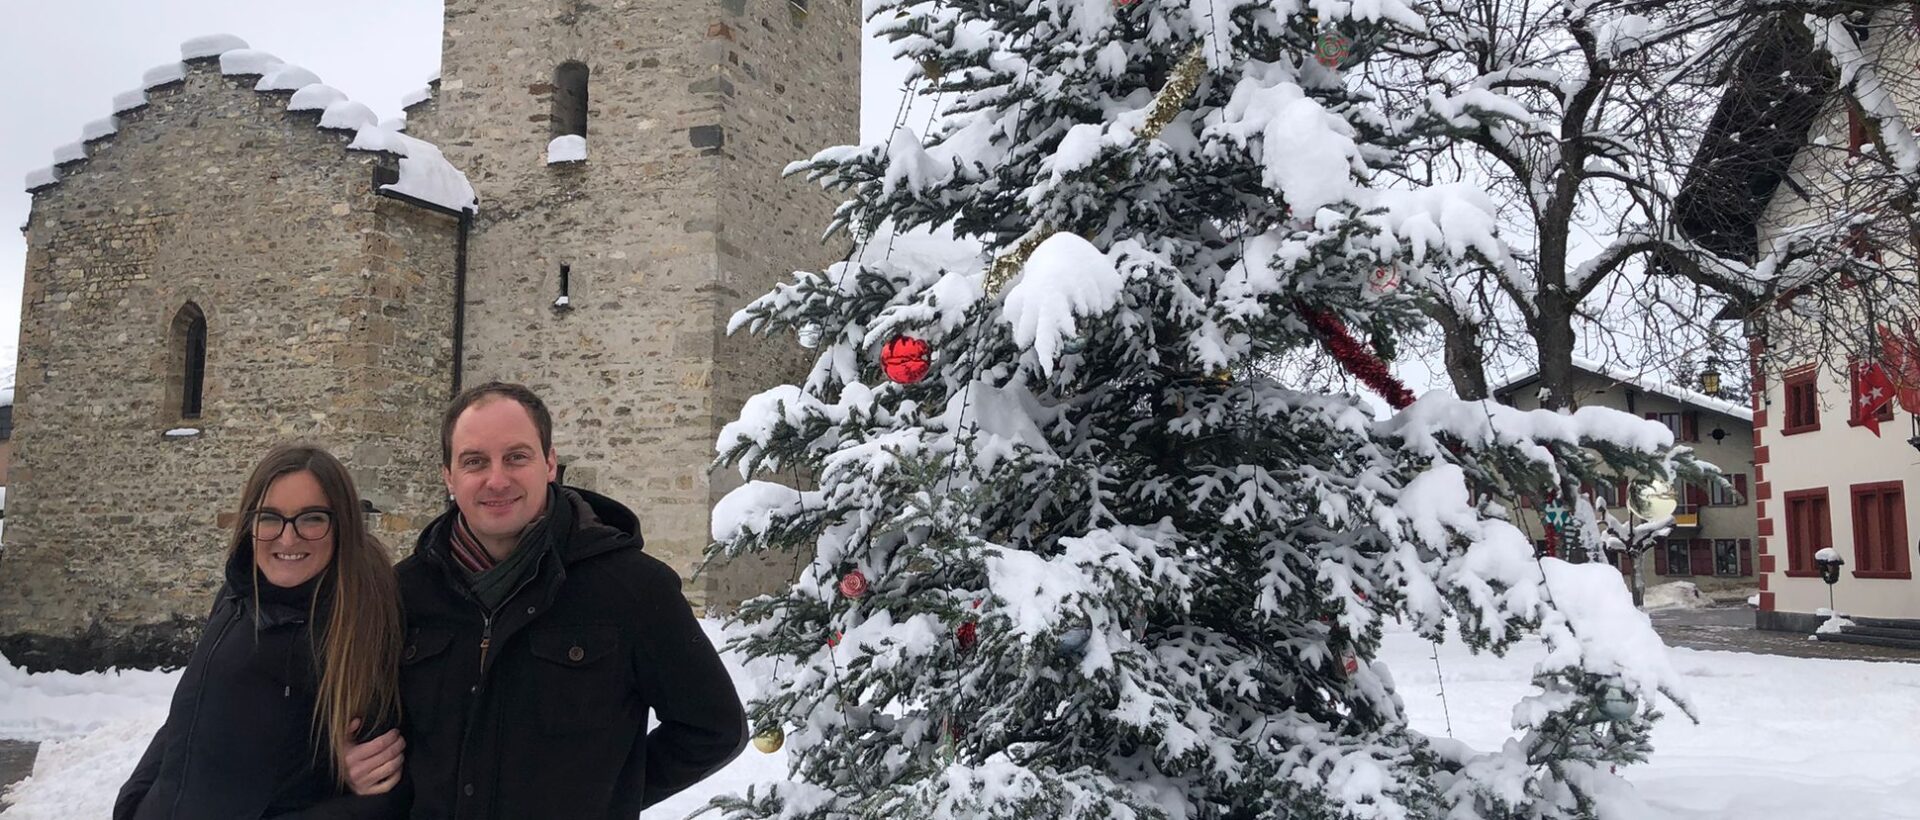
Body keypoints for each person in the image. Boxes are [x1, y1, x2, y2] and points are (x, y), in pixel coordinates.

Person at [350, 381, 746, 818]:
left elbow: (714, 728)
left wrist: (608, 796)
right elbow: (370, 729)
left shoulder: (632, 589)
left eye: (516, 457)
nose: (496, 479)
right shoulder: (403, 594)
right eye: (474, 461)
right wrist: (351, 764)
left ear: (550, 463)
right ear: (448, 476)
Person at [115, 444, 409, 819]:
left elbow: (380, 801)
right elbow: (188, 716)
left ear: (341, 525)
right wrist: (135, 800)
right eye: (270, 517)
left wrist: (336, 773)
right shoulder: (238, 594)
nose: (288, 538)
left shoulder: (356, 629)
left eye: (312, 518)